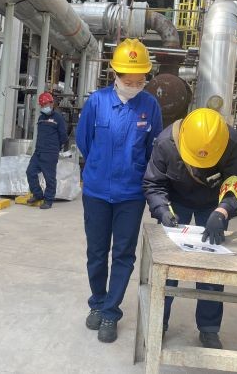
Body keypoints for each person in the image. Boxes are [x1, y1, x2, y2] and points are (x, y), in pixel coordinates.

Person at [76, 38, 162, 343]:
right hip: (97, 191)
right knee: (96, 252)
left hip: (131, 194)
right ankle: (97, 302)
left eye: (140, 81)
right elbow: (84, 141)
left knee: (124, 254)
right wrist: (99, 167)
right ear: (116, 75)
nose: (134, 86)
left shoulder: (149, 106)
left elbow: (154, 149)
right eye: (129, 81)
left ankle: (111, 312)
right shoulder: (97, 102)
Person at [142, 107, 237, 349]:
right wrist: (162, 210)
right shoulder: (166, 142)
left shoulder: (232, 142)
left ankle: (209, 328)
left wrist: (224, 211)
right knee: (167, 266)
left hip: (214, 204)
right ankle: (159, 322)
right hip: (175, 201)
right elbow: (154, 183)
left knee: (211, 265)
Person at [26, 92, 68, 209]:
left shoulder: (58, 118)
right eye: (42, 105)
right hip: (38, 152)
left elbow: (64, 136)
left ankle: (48, 200)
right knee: (30, 172)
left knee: (49, 178)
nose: (44, 106)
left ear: (52, 103)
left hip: (50, 153)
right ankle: (38, 195)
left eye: (46, 104)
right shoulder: (41, 118)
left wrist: (55, 148)